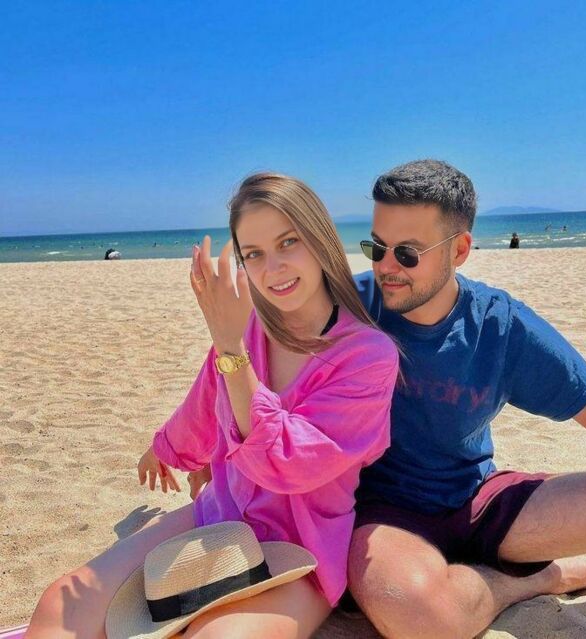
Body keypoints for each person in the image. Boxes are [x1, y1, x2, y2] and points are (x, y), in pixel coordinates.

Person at [26, 173, 398, 639]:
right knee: (62, 602)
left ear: (320, 239)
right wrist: (164, 450)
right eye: (253, 254)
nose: (274, 268)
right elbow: (203, 407)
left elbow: (289, 464)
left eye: (288, 242)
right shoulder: (248, 331)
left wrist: (230, 347)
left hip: (301, 549)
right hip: (220, 518)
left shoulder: (367, 356)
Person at [348, 159, 586, 638]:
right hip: (387, 514)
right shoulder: (350, 308)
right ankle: (538, 579)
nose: (385, 267)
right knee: (420, 616)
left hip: (478, 498)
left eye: (407, 253)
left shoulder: (501, 327)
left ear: (460, 250)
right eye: (376, 247)